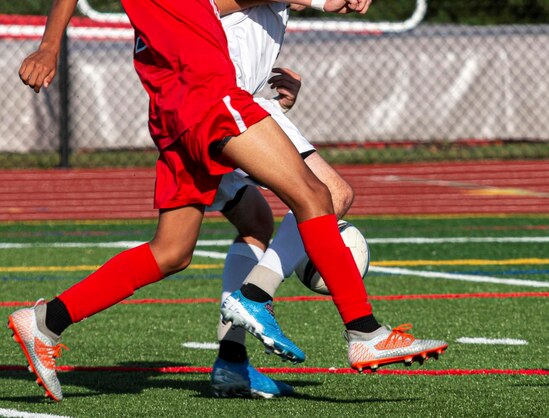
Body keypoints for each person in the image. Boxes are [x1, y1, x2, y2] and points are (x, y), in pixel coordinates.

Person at [10, 0, 447, 404]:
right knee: (318, 195)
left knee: (172, 252)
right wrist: (48, 47)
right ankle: (362, 329)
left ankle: (47, 321)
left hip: (179, 103)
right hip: (204, 92)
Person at [208, 3, 356, 398]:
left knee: (252, 222)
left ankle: (231, 363)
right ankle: (255, 296)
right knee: (333, 194)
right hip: (227, 107)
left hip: (218, 102)